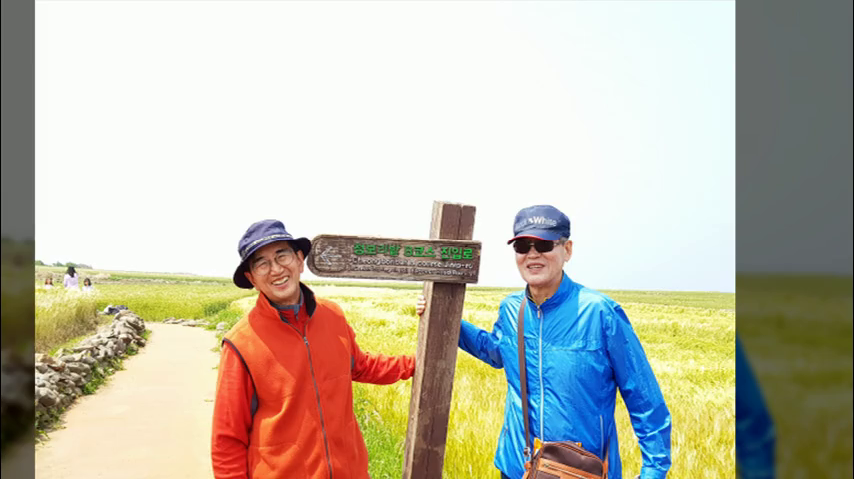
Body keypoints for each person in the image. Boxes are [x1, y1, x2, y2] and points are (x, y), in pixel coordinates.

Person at [416, 205, 671, 479]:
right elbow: (495, 351)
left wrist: (653, 471)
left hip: (580, 471)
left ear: (567, 250)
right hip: (517, 468)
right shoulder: (512, 309)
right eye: (522, 246)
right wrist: (442, 317)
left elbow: (644, 398)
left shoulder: (600, 313)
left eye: (544, 244)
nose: (533, 254)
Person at [211, 219, 416, 479]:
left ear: (299, 260)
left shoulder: (333, 315)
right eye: (262, 263)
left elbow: (361, 366)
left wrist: (419, 362)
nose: (276, 269)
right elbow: (227, 439)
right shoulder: (241, 343)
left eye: (282, 255)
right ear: (251, 278)